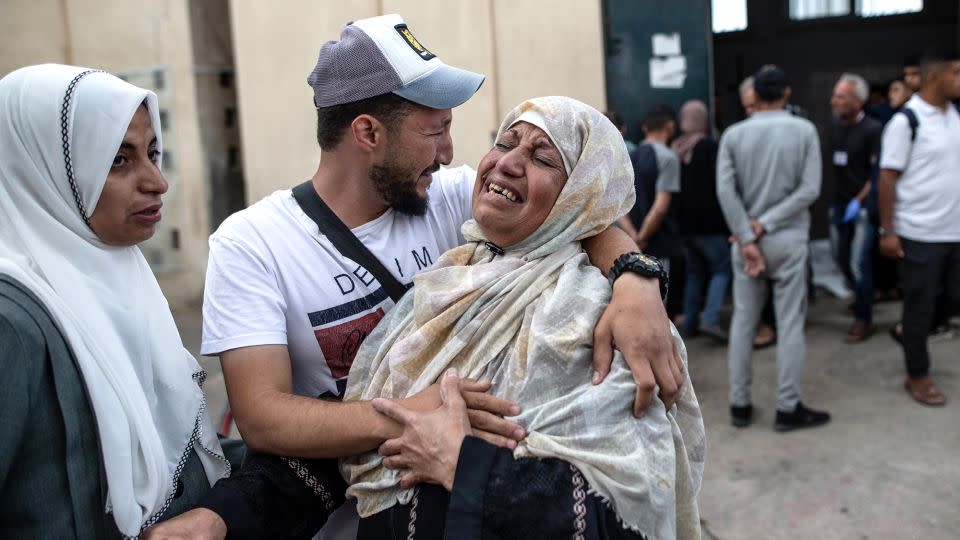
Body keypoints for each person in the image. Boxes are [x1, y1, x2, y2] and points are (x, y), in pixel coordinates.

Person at [152, 14, 683, 538]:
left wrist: (637, 283)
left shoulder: (450, 199)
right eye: (436, 132)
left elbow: (576, 212)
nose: (452, 154)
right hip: (337, 518)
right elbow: (264, 419)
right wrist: (417, 417)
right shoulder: (253, 244)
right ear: (368, 133)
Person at [342, 96, 705, 540]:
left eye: (542, 157)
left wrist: (465, 465)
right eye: (504, 142)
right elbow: (353, 422)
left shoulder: (602, 314)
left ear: (579, 195)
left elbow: (625, 515)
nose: (507, 163)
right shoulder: (451, 278)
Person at [0, 64, 231, 538]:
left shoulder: (120, 276)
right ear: (41, 169)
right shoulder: (13, 323)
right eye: (118, 160)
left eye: (152, 153)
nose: (157, 182)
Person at [716, 65, 830, 432]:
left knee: (745, 321)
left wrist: (748, 235)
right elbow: (809, 189)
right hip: (788, 237)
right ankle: (787, 407)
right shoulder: (804, 131)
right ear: (786, 93)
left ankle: (740, 405)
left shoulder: (733, 135)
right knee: (790, 322)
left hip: (744, 240)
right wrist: (766, 222)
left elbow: (725, 191)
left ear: (754, 96)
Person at [878, 48, 960, 407]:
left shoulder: (954, 115)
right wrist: (888, 231)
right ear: (934, 77)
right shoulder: (906, 121)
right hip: (919, 233)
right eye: (956, 72)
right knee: (920, 307)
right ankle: (918, 375)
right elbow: (887, 177)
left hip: (954, 231)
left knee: (952, 300)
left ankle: (906, 333)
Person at [827, 73, 883, 342]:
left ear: (858, 101)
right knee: (840, 258)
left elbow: (878, 175)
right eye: (835, 95)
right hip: (839, 205)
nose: (834, 101)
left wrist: (858, 201)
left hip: (860, 208)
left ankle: (864, 319)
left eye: (841, 96)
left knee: (858, 264)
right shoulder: (835, 126)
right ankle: (864, 295)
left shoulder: (873, 129)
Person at [672, 100, 730, 342]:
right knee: (722, 269)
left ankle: (690, 324)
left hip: (684, 226)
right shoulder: (709, 147)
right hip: (710, 224)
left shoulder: (675, 147)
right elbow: (720, 186)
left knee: (695, 272)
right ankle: (711, 319)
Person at [619, 105, 680, 266]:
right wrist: (643, 237)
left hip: (632, 244)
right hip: (658, 242)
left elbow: (620, 204)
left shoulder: (630, 156)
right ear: (670, 126)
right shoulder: (668, 157)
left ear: (645, 128)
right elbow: (660, 208)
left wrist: (633, 235)